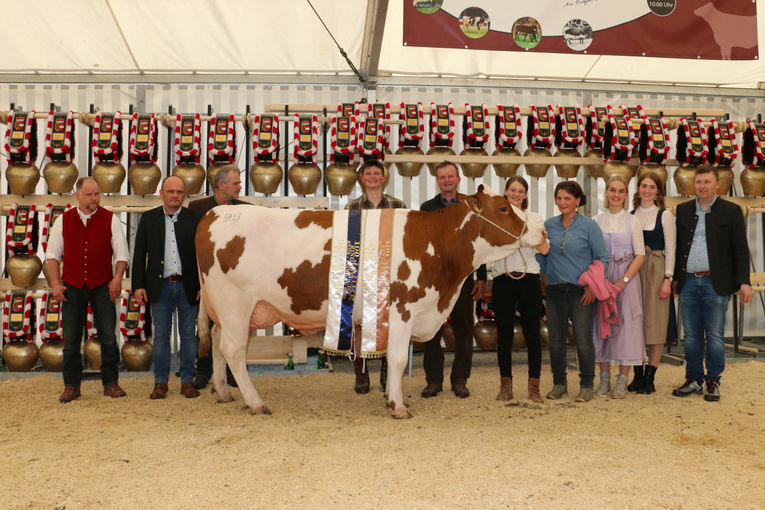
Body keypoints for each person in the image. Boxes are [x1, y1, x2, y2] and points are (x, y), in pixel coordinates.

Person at [672, 166, 752, 402]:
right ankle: (694, 377)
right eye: (699, 182)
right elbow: (678, 248)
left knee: (715, 336)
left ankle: (713, 379)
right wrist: (676, 277)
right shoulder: (683, 210)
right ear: (693, 185)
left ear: (718, 184)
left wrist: (744, 282)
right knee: (692, 335)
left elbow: (740, 249)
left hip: (716, 283)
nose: (702, 186)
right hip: (688, 282)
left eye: (707, 182)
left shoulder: (732, 211)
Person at [47, 177, 130, 402]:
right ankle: (72, 385)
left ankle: (111, 383)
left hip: (102, 285)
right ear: (78, 195)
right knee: (72, 339)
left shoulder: (110, 219)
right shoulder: (63, 220)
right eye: (89, 195)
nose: (94, 199)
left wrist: (116, 280)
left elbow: (122, 256)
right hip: (72, 286)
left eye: (97, 194)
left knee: (108, 338)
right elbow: (52, 256)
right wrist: (55, 284)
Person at [132, 176, 203, 399]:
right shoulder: (149, 218)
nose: (175, 196)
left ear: (185, 195)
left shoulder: (195, 219)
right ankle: (160, 383)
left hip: (188, 286)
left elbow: (203, 256)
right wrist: (138, 286)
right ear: (161, 193)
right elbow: (139, 254)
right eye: (170, 191)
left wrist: (204, 284)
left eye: (179, 192)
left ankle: (187, 382)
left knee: (189, 336)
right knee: (161, 336)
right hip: (159, 286)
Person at [536, 180, 607, 403]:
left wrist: (592, 286)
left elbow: (601, 258)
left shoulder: (589, 226)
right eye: (559, 198)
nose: (562, 202)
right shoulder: (549, 225)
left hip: (582, 292)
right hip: (556, 291)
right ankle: (559, 384)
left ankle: (586, 385)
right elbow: (540, 254)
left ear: (578, 200)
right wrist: (543, 277)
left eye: (567, 198)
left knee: (583, 340)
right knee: (555, 340)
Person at [420, 161, 486, 399]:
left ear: (458, 179)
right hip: (435, 281)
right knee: (432, 331)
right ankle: (433, 381)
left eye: (450, 176)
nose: (446, 180)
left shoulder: (471, 206)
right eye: (442, 177)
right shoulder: (427, 208)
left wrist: (481, 277)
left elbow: (479, 243)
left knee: (464, 330)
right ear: (437, 181)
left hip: (464, 278)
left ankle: (460, 380)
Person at [345, 159, 407, 394]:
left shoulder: (398, 205)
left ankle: (385, 370)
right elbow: (347, 244)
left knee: (387, 322)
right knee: (358, 323)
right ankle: (361, 373)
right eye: (368, 173)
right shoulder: (351, 207)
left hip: (389, 271)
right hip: (360, 272)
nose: (372, 176)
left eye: (376, 173)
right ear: (362, 179)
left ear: (383, 178)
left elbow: (404, 240)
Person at [491, 176, 549, 402]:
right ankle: (505, 384)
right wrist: (528, 238)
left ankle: (534, 385)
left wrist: (527, 238)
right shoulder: (495, 217)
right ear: (505, 192)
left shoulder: (534, 217)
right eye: (512, 190)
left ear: (525, 195)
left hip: (529, 278)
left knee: (533, 333)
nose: (516, 194)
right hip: (502, 278)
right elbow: (492, 244)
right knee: (503, 333)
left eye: (520, 191)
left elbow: (544, 249)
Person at [188, 164, 246, 389]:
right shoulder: (197, 208)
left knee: (236, 324)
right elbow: (191, 247)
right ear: (221, 185)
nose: (239, 187)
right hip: (207, 276)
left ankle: (233, 370)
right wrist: (198, 282)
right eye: (236, 183)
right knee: (204, 323)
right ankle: (203, 369)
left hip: (237, 280)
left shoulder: (245, 209)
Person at [592, 176, 646, 398]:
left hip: (627, 280)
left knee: (627, 328)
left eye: (621, 191)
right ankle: (604, 379)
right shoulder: (596, 220)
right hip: (603, 281)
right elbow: (592, 253)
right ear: (606, 193)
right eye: (612, 190)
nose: (616, 195)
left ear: (626, 194)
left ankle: (622, 379)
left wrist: (622, 281)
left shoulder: (633, 221)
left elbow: (640, 254)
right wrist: (601, 281)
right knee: (602, 327)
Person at [630, 172, 675, 394]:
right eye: (643, 186)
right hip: (636, 270)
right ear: (638, 189)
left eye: (652, 187)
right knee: (636, 324)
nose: (647, 190)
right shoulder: (631, 215)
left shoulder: (664, 215)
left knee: (656, 324)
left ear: (658, 190)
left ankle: (650, 376)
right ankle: (637, 374)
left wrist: (668, 279)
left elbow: (672, 249)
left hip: (657, 268)